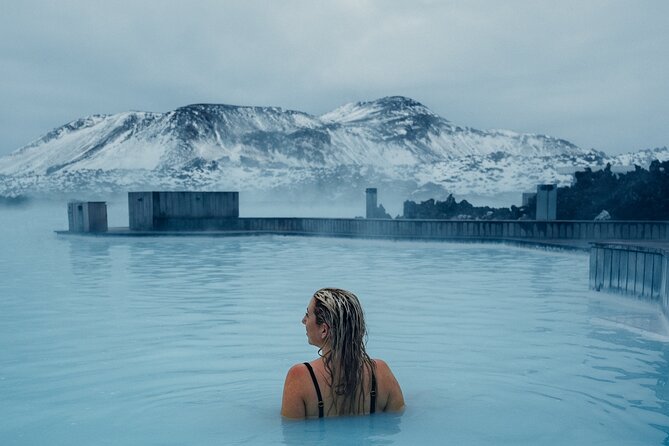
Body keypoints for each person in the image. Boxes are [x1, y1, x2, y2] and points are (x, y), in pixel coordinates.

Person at [281, 288, 404, 419]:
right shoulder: (380, 372)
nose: (303, 320)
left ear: (324, 330)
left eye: (307, 314)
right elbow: (398, 419)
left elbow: (292, 432)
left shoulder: (300, 377)